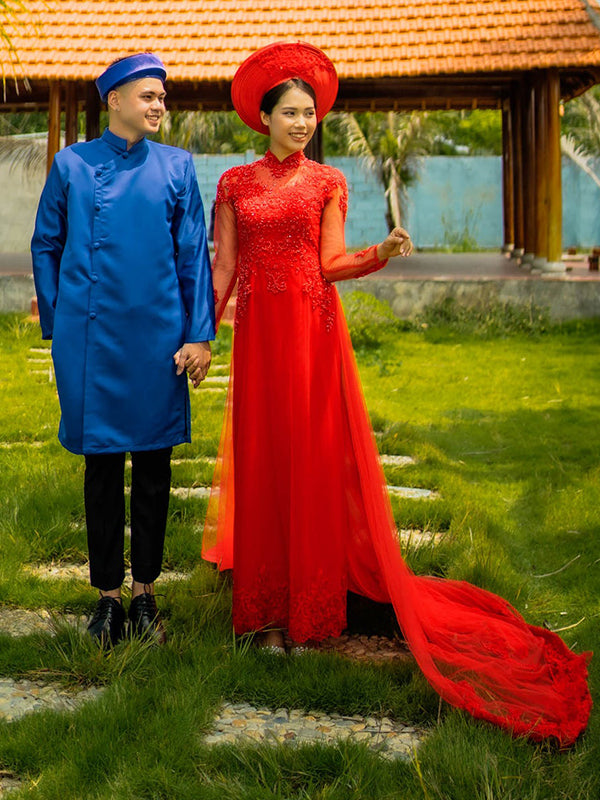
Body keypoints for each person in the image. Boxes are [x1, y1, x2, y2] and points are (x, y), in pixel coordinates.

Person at [197, 42, 591, 746]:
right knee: (263, 460)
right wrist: (202, 335)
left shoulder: (327, 182)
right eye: (290, 112)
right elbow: (224, 265)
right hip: (259, 340)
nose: (302, 122)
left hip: (313, 338)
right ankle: (264, 615)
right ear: (264, 118)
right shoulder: (233, 183)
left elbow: (330, 263)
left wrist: (379, 253)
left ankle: (311, 615)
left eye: (310, 113)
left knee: (313, 463)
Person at [31, 53, 215, 647]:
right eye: (148, 96)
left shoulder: (177, 166)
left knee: (156, 468)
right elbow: (46, 244)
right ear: (114, 101)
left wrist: (198, 334)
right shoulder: (72, 164)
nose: (159, 105)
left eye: (162, 97)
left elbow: (193, 253)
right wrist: (61, 327)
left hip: (160, 339)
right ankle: (108, 598)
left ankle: (146, 595)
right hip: (91, 341)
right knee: (103, 468)